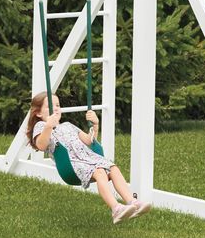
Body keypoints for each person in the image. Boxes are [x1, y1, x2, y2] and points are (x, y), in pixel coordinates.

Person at [25, 92, 147, 223]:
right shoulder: (41, 126)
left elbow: (89, 140)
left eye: (58, 105)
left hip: (88, 159)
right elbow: (41, 145)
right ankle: (116, 209)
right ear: (38, 113)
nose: (55, 108)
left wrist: (95, 125)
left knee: (113, 168)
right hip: (72, 165)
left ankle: (132, 202)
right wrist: (49, 125)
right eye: (50, 106)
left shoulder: (68, 125)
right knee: (100, 172)